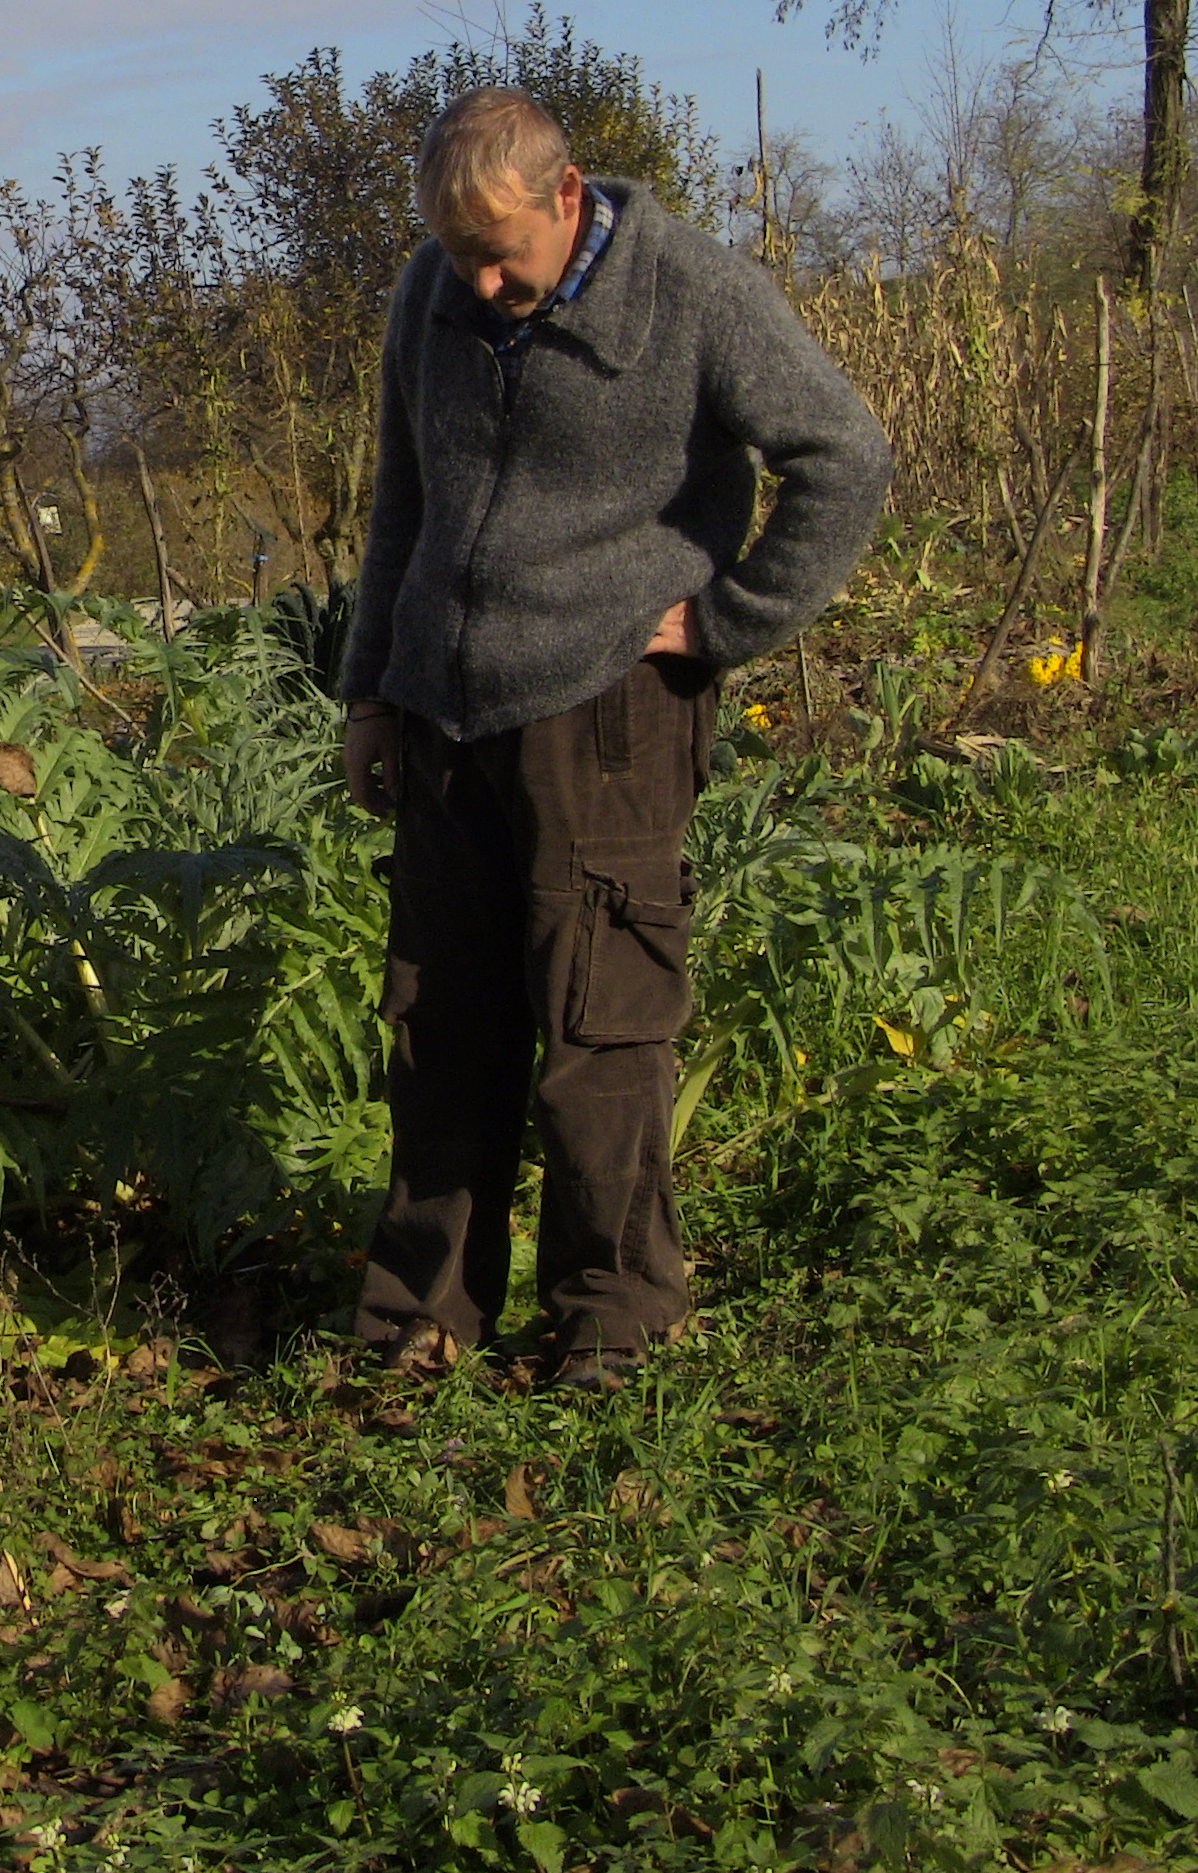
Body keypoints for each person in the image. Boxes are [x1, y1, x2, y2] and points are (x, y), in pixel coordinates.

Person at [341, 88, 887, 1394]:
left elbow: (846, 454)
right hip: (443, 712)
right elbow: (400, 497)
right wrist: (370, 689)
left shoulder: (694, 292)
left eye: (500, 253)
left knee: (601, 1025)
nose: (476, 278)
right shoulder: (433, 288)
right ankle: (422, 1316)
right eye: (454, 251)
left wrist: (727, 621)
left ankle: (612, 1323)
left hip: (609, 717)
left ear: (568, 195)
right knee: (437, 1023)